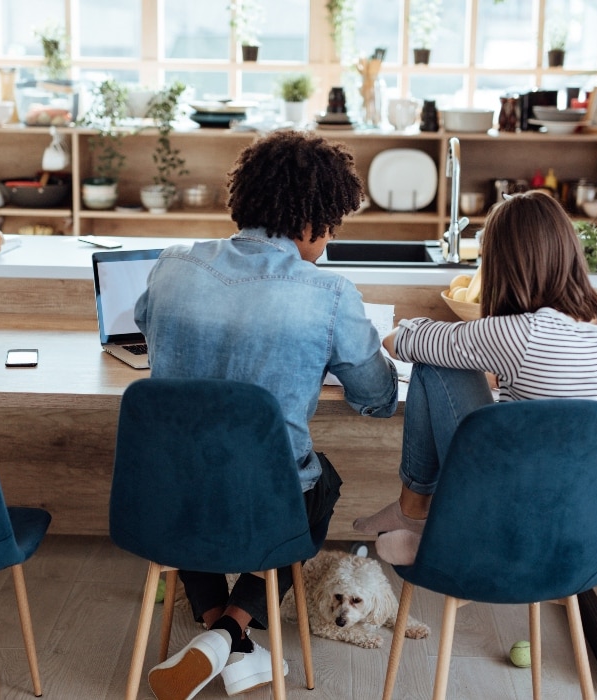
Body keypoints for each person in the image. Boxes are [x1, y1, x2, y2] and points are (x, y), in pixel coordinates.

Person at [134, 130, 399, 700]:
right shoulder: (328, 293)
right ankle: (233, 632)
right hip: (267, 502)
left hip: (165, 496)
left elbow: (146, 323)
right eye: (330, 225)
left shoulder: (171, 263)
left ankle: (214, 635)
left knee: (194, 484)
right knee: (318, 482)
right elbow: (376, 396)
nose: (328, 241)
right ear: (309, 221)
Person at [354, 189, 597, 565]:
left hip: (520, 535)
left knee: (436, 362)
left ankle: (426, 525)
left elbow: (404, 341)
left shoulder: (518, 333)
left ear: (501, 264)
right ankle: (417, 520)